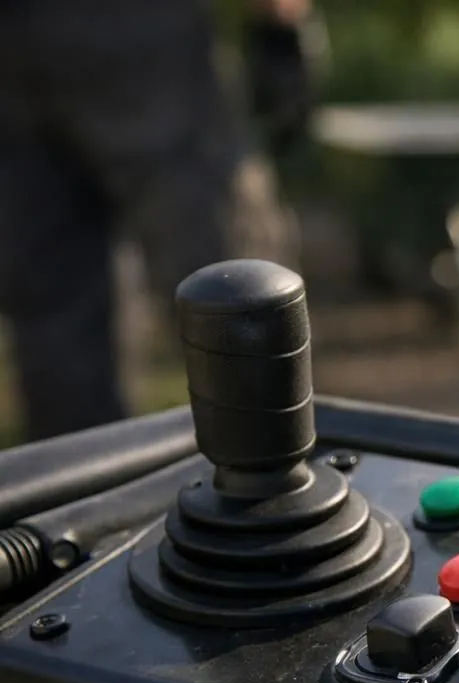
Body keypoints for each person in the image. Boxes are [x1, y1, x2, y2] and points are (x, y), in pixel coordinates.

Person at [0, 0, 310, 443]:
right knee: (236, 294)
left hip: (14, 45)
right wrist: (279, 26)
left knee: (57, 323)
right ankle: (273, 487)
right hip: (146, 37)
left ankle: (84, 500)